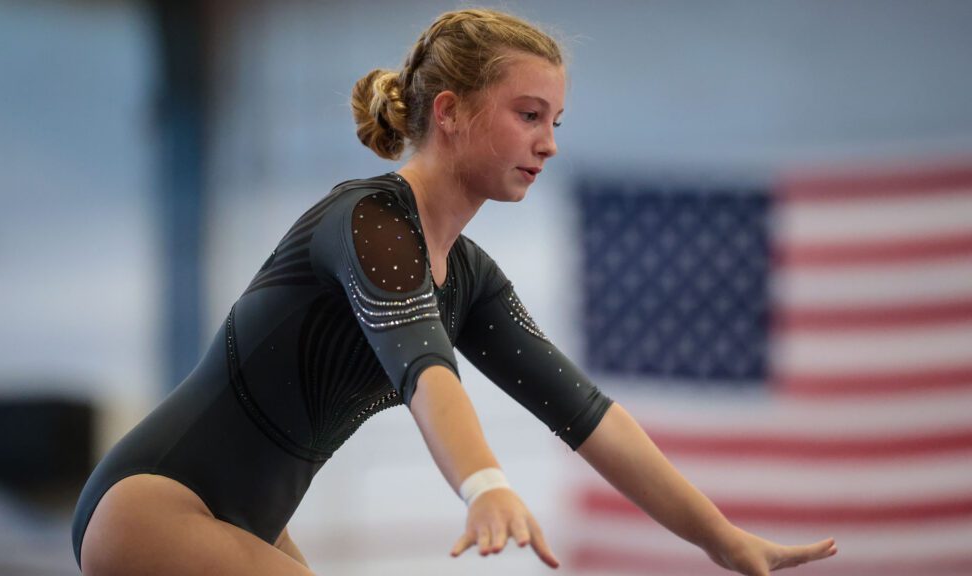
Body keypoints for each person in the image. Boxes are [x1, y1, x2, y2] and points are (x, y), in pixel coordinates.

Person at [72, 8, 838, 576]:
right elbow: (424, 370)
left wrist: (722, 540)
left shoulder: (467, 277)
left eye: (556, 120)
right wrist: (485, 486)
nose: (550, 142)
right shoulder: (367, 223)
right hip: (155, 504)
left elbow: (589, 416)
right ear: (451, 113)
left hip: (246, 519)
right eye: (528, 115)